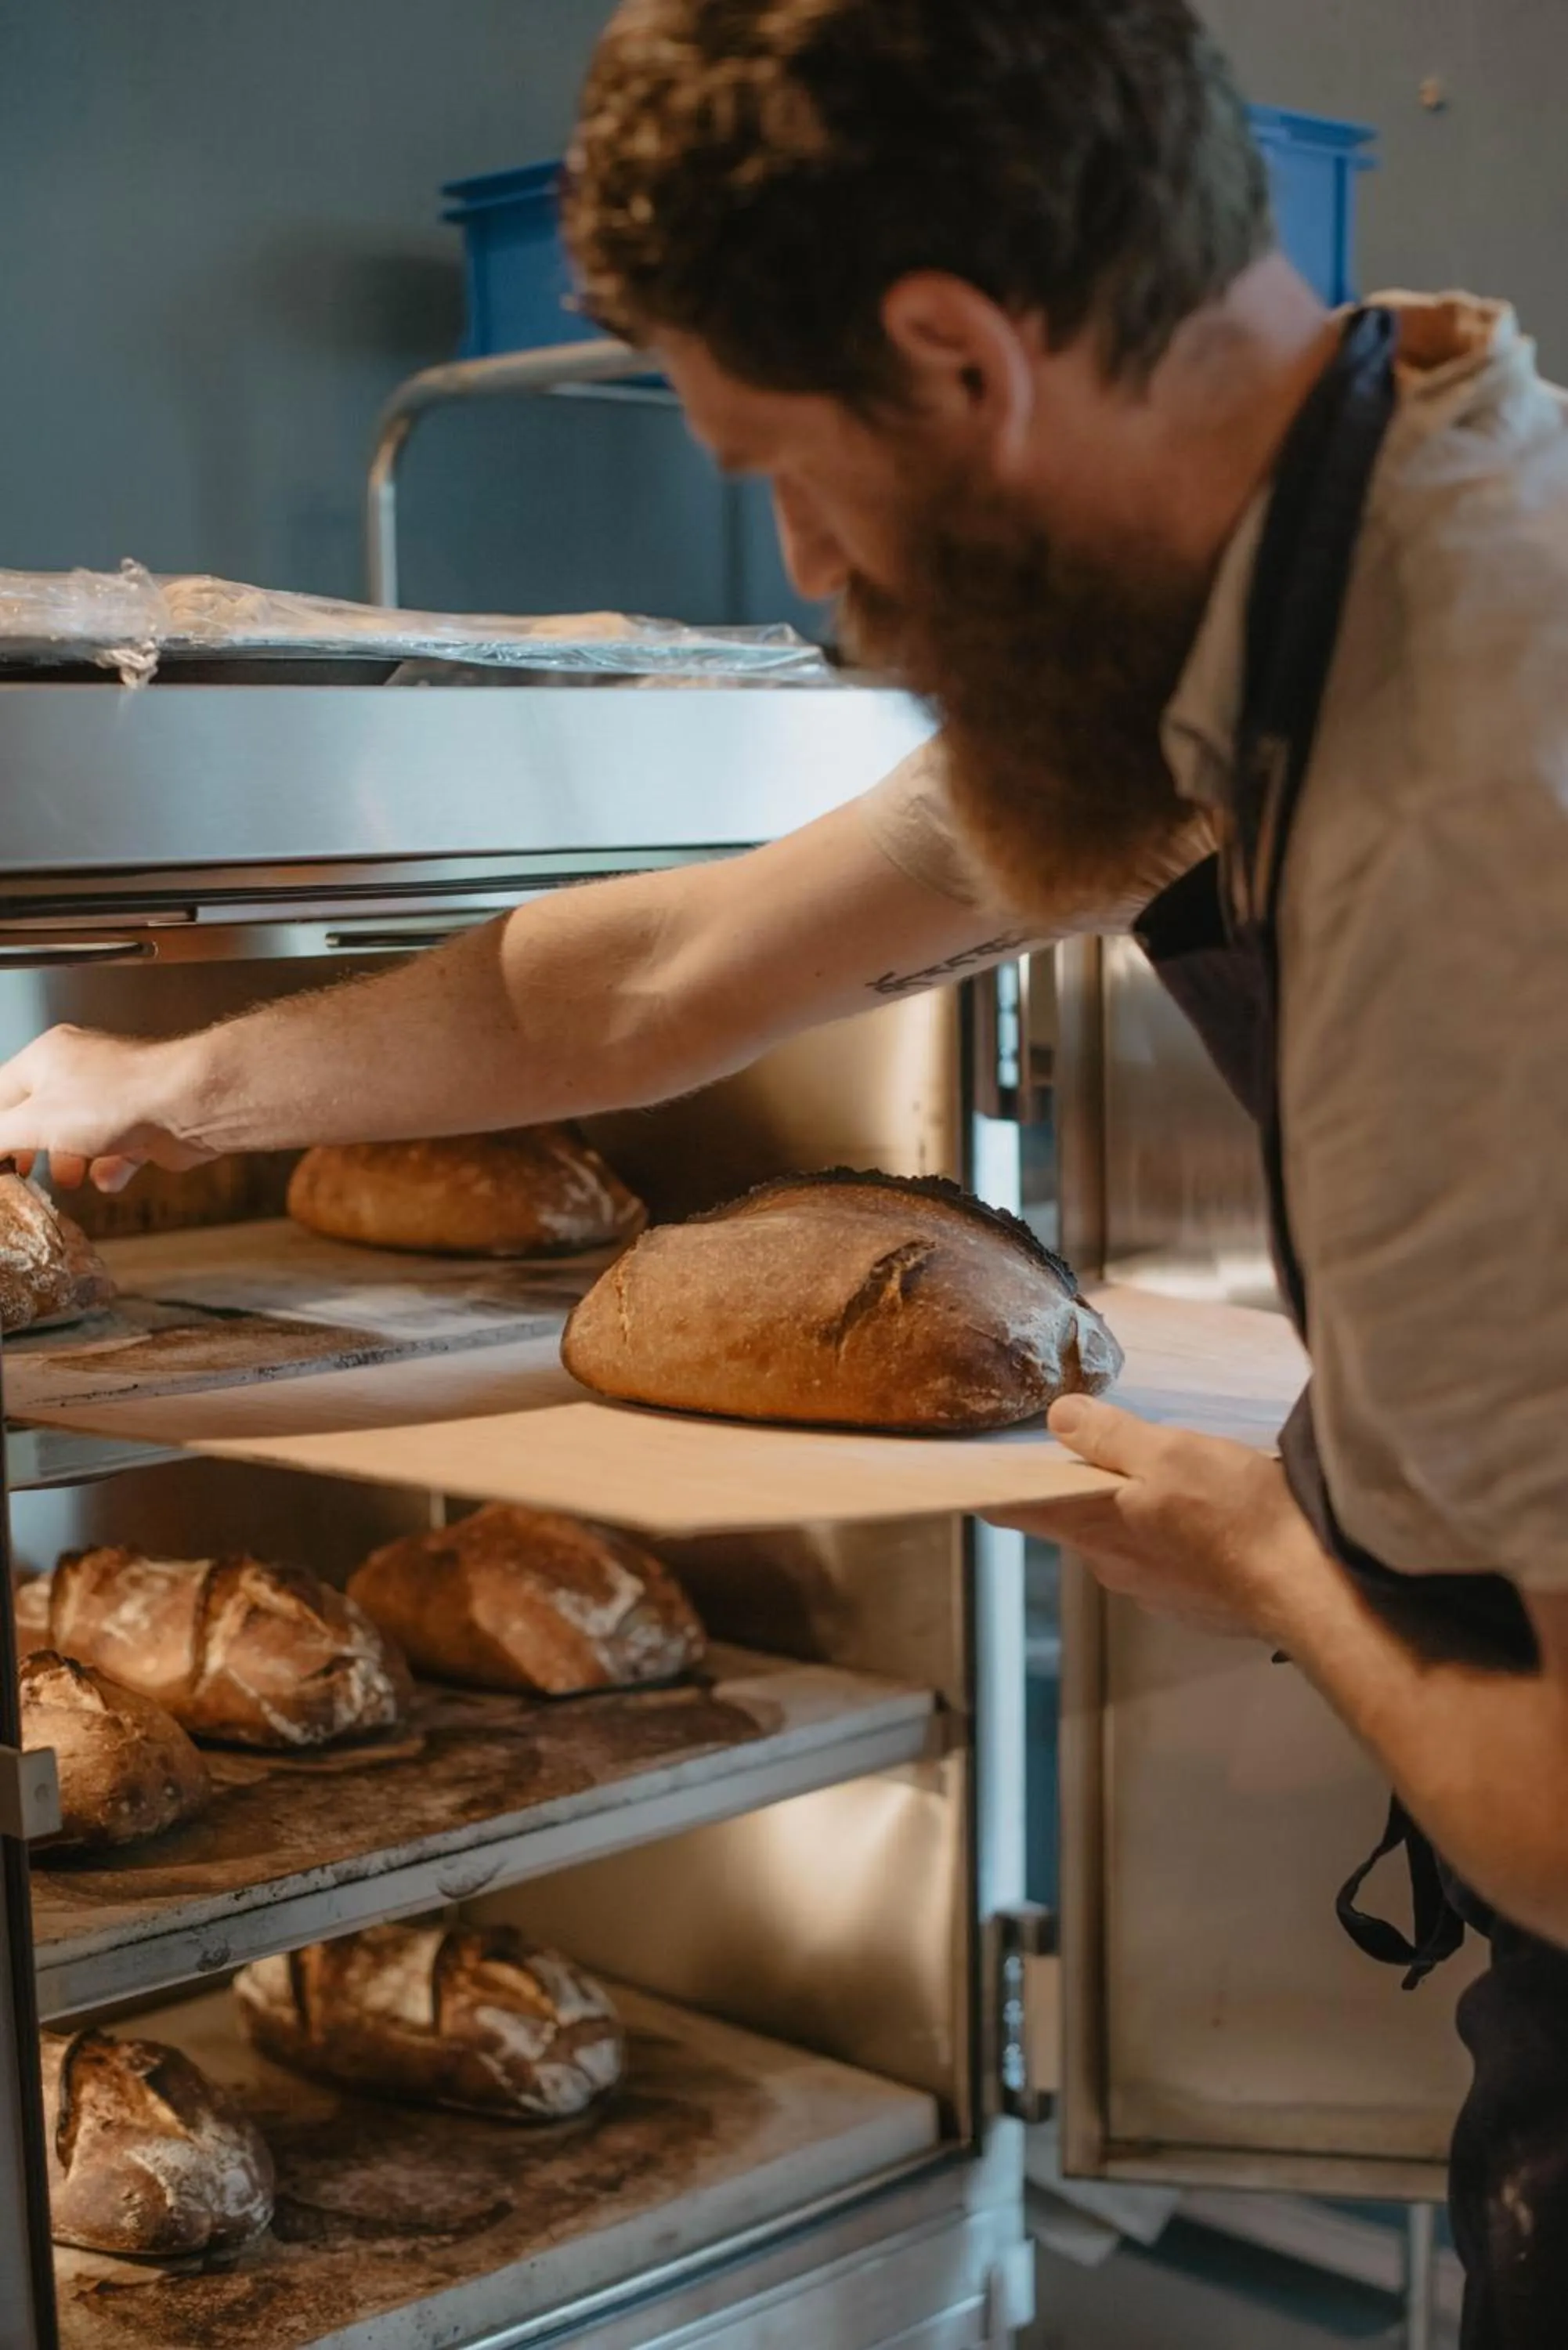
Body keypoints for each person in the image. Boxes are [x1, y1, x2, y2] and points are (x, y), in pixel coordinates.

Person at [2, 3, 1566, 2335]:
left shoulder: (1469, 841)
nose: (817, 580)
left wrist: (1273, 1559)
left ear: (957, 356)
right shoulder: (1304, 578)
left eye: (786, 475)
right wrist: (178, 1082)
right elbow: (648, 984)